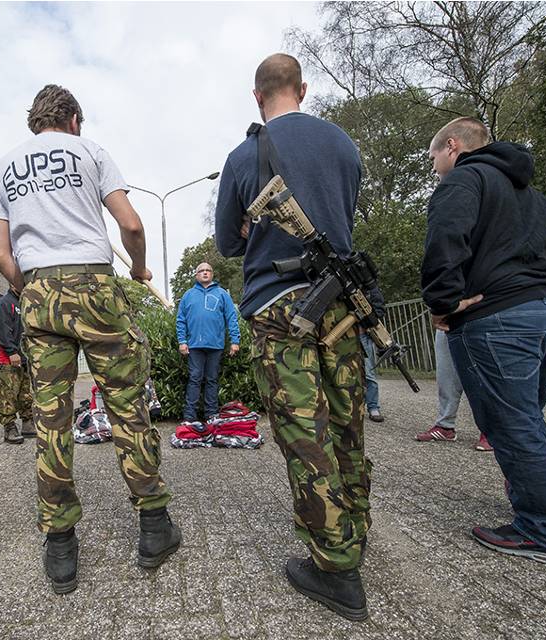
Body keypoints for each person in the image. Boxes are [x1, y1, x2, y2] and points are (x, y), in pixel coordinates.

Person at [0, 84, 179, 594]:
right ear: (73, 118)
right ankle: (154, 527)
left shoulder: (4, 166)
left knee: (51, 419)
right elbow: (131, 224)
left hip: (37, 288)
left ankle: (60, 547)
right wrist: (138, 268)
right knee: (126, 405)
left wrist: (32, 291)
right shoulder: (90, 152)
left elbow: (0, 255)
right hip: (94, 284)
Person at [215, 54, 370, 621]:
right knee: (347, 418)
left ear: (257, 96)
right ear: (302, 89)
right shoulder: (344, 145)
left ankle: (335, 567)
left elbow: (228, 244)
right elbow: (343, 215)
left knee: (304, 430)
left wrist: (251, 230)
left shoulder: (244, 155)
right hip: (340, 301)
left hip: (277, 305)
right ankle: (353, 529)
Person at [421, 116, 546, 567]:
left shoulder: (463, 180)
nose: (434, 166)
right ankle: (533, 502)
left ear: (452, 146)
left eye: (433, 156)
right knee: (528, 418)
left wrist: (442, 302)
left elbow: (445, 240)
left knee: (512, 425)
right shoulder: (531, 194)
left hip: (497, 317)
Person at [175, 262, 240, 424]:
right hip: (194, 346)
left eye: (208, 270)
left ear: (212, 274)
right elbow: (181, 320)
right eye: (201, 271)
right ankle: (189, 417)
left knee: (212, 380)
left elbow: (231, 318)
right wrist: (182, 341)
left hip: (215, 345)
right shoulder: (188, 295)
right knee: (194, 379)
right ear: (196, 275)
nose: (205, 273)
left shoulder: (222, 294)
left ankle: (211, 416)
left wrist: (235, 341)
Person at [414, 329, 492, 451]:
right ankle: (445, 426)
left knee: (482, 370)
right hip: (447, 320)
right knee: (445, 372)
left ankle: (491, 431)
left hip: (480, 319)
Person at [0, 285, 35, 444]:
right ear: (11, 283)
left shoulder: (24, 304)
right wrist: (11, 351)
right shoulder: (3, 303)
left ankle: (27, 423)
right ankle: (9, 426)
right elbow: (3, 330)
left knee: (25, 393)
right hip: (8, 357)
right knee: (9, 394)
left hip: (24, 357)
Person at [359, 286, 386, 423]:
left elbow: (379, 308)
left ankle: (373, 406)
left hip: (363, 334)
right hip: (343, 336)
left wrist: (367, 323)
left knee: (368, 373)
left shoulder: (368, 285)